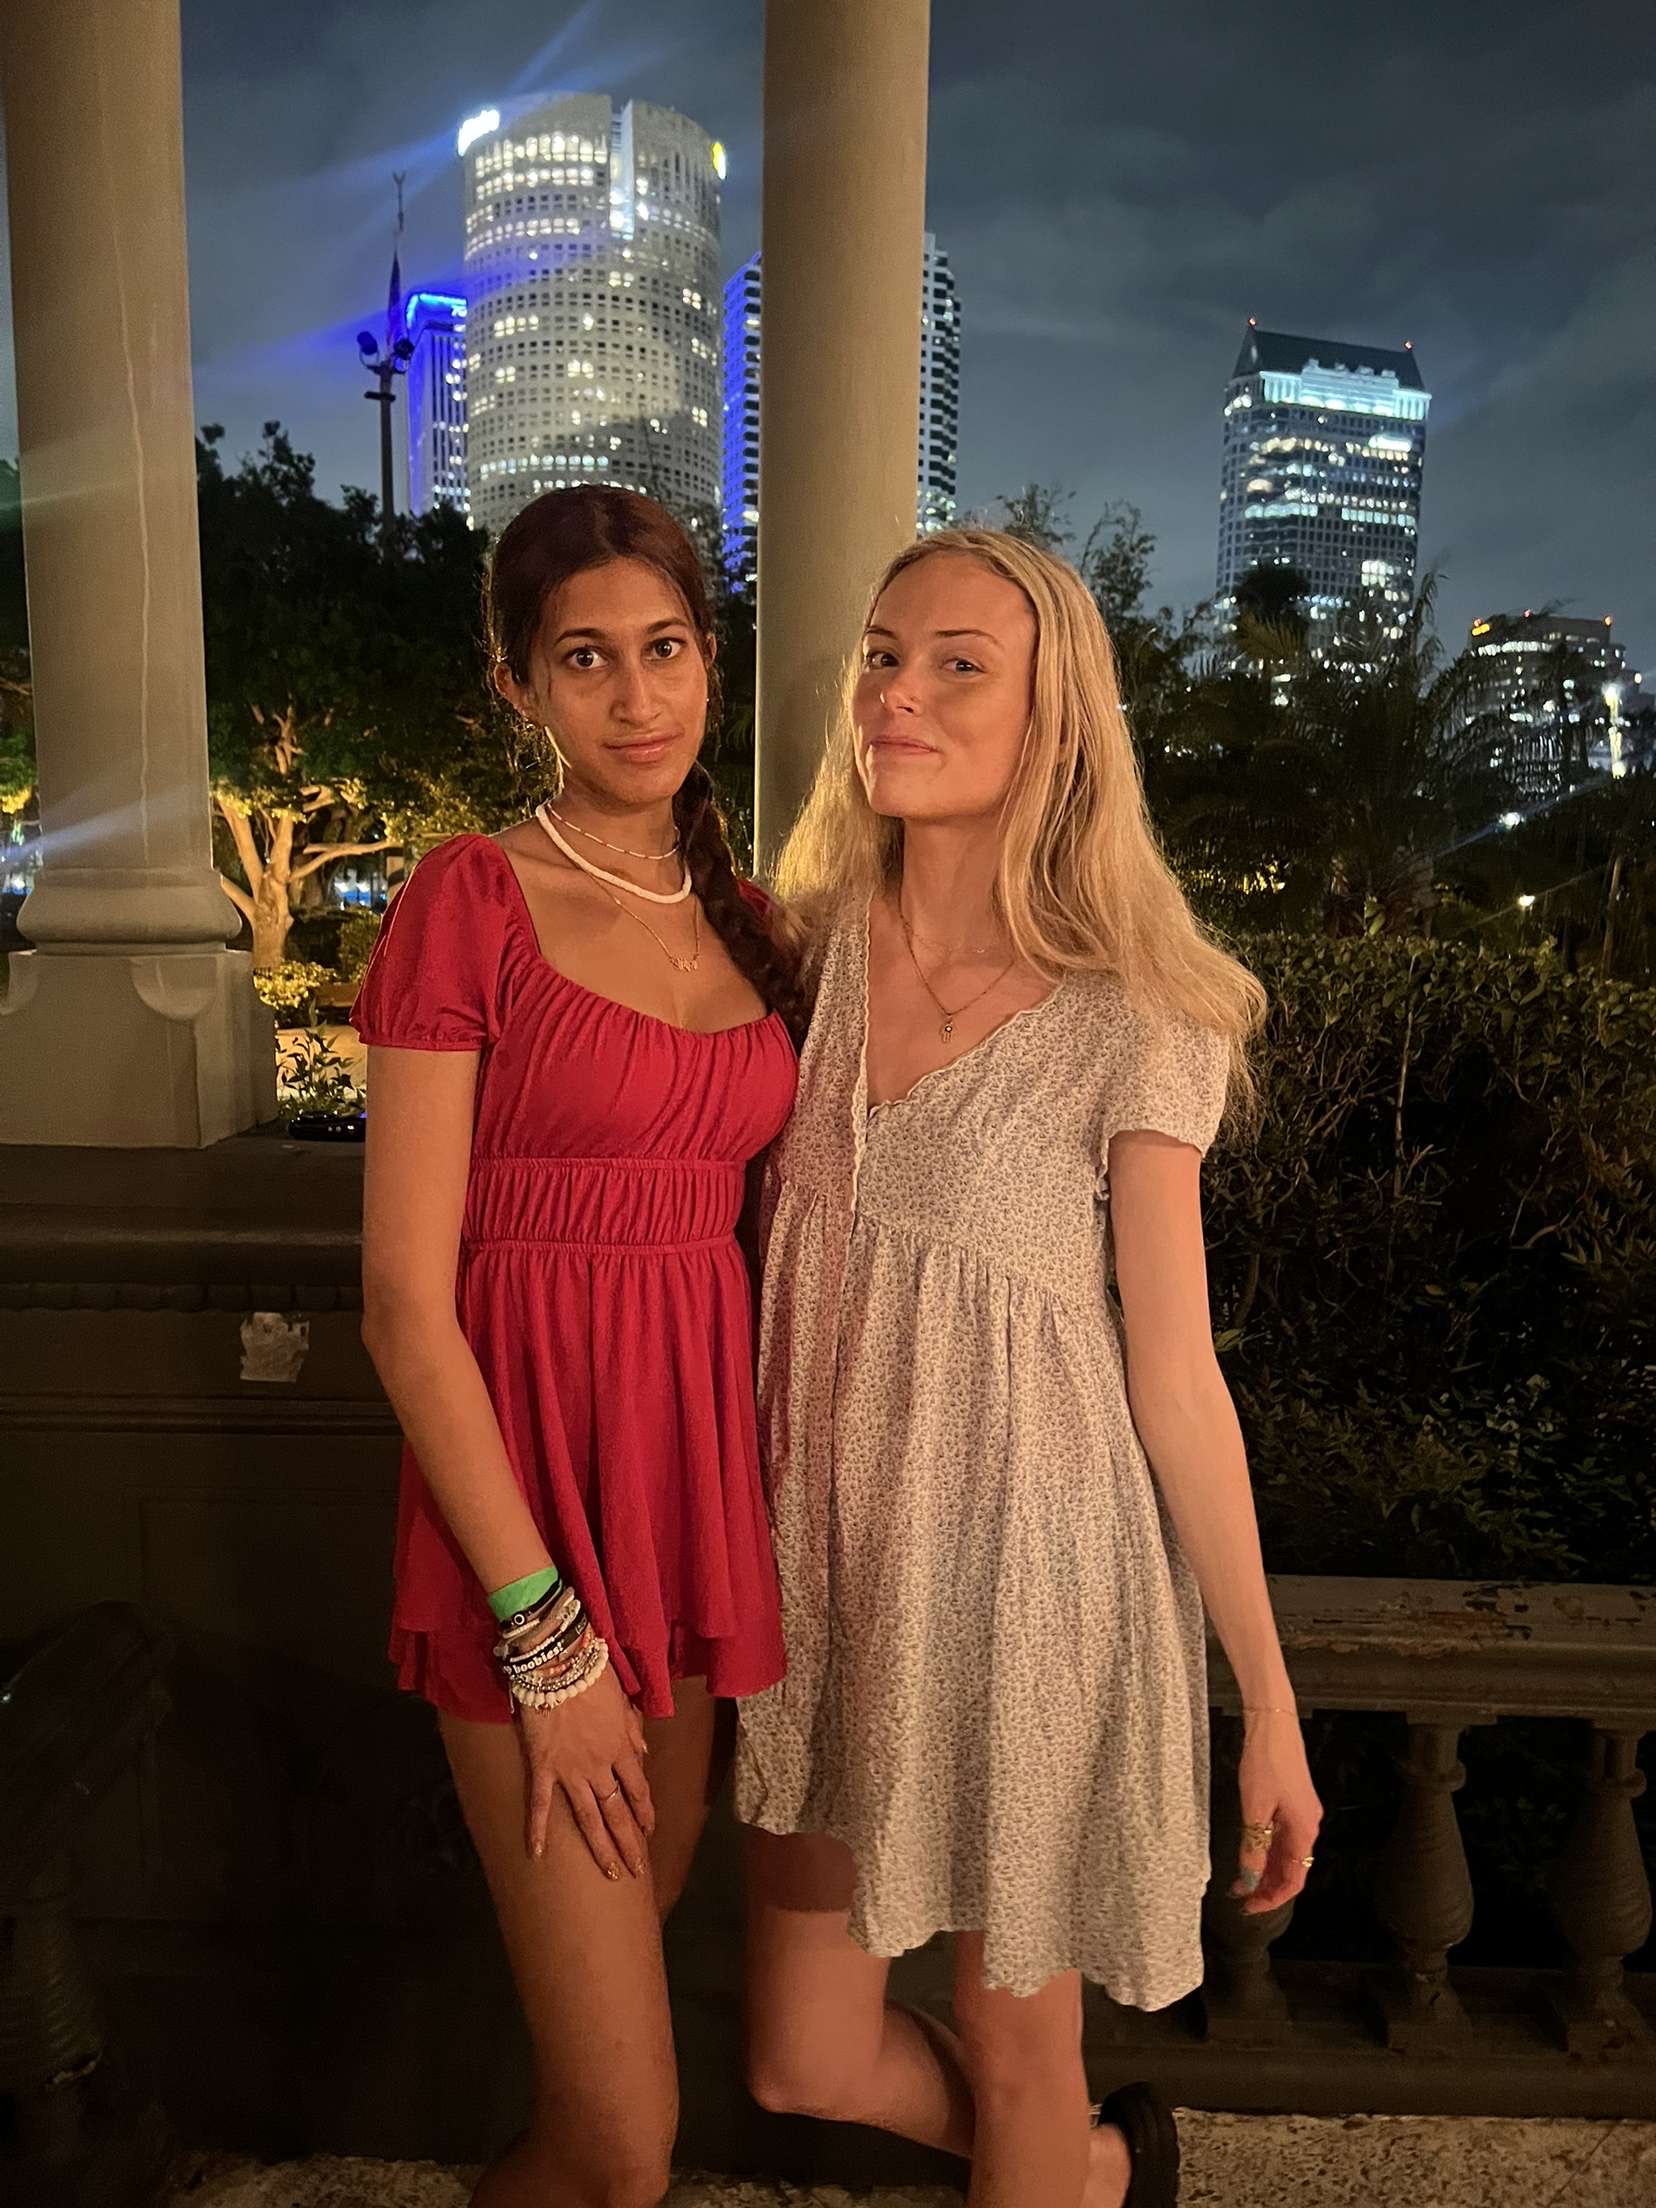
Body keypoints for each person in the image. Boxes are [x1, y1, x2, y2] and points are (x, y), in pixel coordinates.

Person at [734, 529, 1322, 2208]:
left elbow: (1177, 1373)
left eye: (957, 663)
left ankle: (1061, 2157)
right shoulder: (802, 950)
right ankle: (1106, 2180)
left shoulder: (1134, 1008)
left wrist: (1266, 1703)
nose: (896, 692)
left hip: (1031, 1593)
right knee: (803, 2059)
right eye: (879, 652)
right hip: (821, 1582)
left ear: (1058, 724)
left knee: (1016, 2060)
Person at [354, 486, 803, 2208]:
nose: (639, 698)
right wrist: (544, 1638)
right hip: (519, 1530)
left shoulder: (750, 917)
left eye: (668, 649)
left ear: (710, 656)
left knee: (641, 1954)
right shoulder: (472, 899)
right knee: (626, 2154)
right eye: (588, 661)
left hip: (688, 1507)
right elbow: (404, 1304)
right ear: (520, 687)